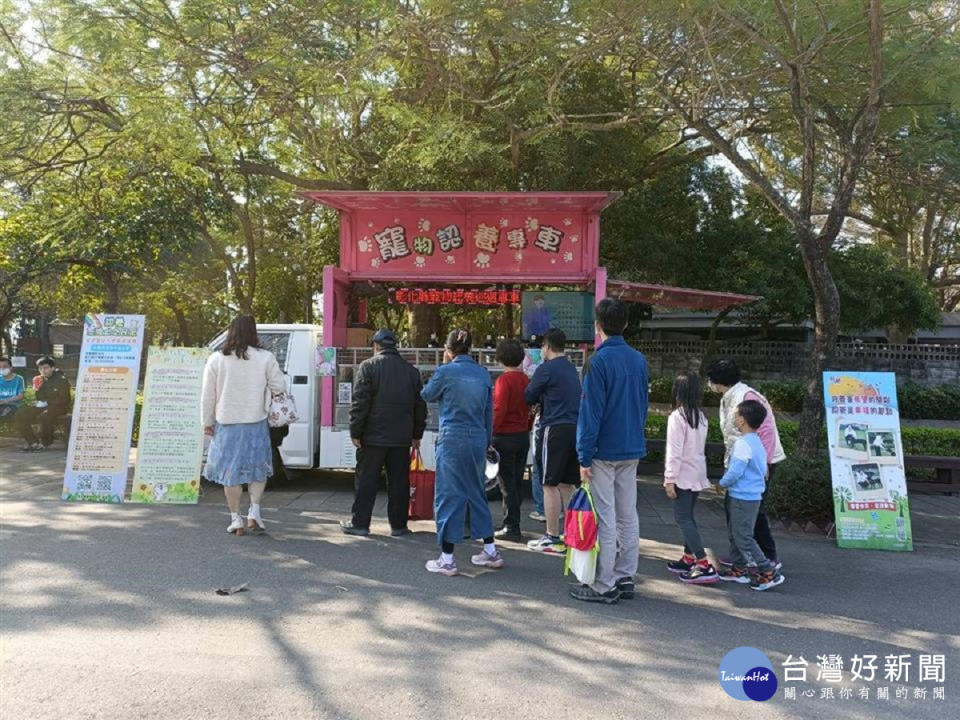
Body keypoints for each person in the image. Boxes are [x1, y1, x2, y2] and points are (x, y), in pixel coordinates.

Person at [572, 299, 648, 604]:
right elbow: (642, 404)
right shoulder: (639, 359)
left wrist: (583, 455)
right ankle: (625, 575)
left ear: (597, 326)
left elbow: (591, 413)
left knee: (606, 516)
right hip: (631, 446)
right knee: (628, 513)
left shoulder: (598, 361)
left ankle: (603, 584)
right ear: (626, 325)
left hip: (604, 449)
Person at [420, 329, 504, 575]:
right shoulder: (483, 374)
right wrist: (487, 442)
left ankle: (447, 558)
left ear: (448, 350)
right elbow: (489, 414)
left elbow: (427, 394)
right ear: (470, 349)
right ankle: (490, 551)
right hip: (477, 438)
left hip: (452, 438)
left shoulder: (445, 372)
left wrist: (443, 367)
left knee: (449, 494)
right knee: (476, 492)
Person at [202, 315, 286, 535]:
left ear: (230, 332)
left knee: (231, 472)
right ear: (253, 332)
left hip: (226, 422)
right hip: (256, 421)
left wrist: (207, 421)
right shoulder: (265, 357)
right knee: (258, 469)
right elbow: (279, 385)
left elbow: (208, 395)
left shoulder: (217, 359)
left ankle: (235, 519)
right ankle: (255, 512)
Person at [341, 329, 427, 537]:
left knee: (366, 481)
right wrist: (417, 434)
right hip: (401, 438)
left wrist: (356, 431)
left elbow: (360, 404)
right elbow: (419, 406)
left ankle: (360, 523)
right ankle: (399, 526)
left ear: (376, 346)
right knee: (399, 482)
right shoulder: (411, 371)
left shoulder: (368, 367)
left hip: (372, 437)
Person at [705, 359, 785, 570]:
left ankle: (768, 557)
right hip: (741, 459)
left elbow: (765, 432)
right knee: (734, 508)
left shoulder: (746, 397)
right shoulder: (730, 396)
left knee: (754, 511)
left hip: (757, 463)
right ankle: (741, 556)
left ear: (719, 381)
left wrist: (764, 465)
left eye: (711, 379)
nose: (709, 384)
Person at [715, 400, 785, 591]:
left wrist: (721, 484)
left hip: (742, 496)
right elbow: (763, 469)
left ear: (744, 420)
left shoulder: (743, 443)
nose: (735, 418)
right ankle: (738, 569)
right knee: (735, 532)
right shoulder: (757, 442)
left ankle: (768, 571)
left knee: (743, 536)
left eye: (737, 415)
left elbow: (736, 470)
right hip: (752, 496)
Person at [524, 328, 581, 554]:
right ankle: (571, 534)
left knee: (548, 484)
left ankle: (551, 536)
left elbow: (528, 395)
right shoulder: (570, 368)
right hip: (574, 428)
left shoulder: (546, 369)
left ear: (546, 347)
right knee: (567, 484)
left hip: (553, 428)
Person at [663, 372, 718, 584]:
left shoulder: (677, 417)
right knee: (689, 516)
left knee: (683, 518)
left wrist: (669, 479)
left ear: (677, 392)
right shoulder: (700, 416)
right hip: (696, 473)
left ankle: (703, 563)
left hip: (682, 476)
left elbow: (674, 451)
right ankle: (688, 558)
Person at [491, 339, 532, 542]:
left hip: (504, 437)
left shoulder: (503, 381)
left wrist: (491, 433)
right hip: (522, 436)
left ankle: (511, 526)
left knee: (506, 484)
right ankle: (513, 522)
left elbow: (498, 410)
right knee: (516, 481)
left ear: (500, 358)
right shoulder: (526, 379)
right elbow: (533, 407)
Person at [16, 356, 72, 451]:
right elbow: (40, 397)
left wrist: (46, 402)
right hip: (44, 406)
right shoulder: (44, 379)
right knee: (21, 413)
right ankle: (33, 442)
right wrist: (38, 389)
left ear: (52, 368)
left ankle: (45, 443)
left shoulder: (61, 380)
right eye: (40, 368)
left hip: (59, 408)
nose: (43, 371)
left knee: (44, 416)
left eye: (45, 368)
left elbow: (64, 399)